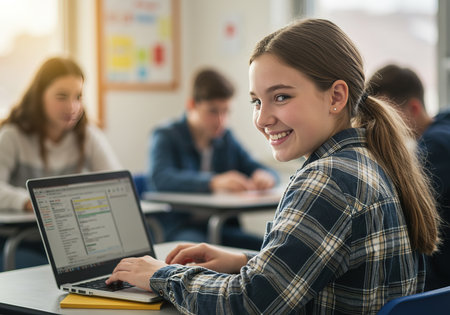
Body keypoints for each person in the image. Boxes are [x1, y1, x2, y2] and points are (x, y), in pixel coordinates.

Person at [107, 19, 440, 314]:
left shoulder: (328, 179)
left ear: (336, 97)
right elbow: (327, 273)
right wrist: (243, 262)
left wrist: (159, 275)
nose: (262, 119)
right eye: (256, 101)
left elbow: (249, 303)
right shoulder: (372, 159)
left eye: (281, 97)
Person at [0, 56, 121, 269]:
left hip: (72, 243)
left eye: (78, 97)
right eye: (61, 96)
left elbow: (117, 185)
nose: (72, 106)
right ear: (39, 96)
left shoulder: (88, 136)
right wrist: (30, 202)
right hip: (22, 241)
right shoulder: (12, 135)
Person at [146, 68, 278, 250]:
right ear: (192, 105)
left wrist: (264, 175)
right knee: (197, 251)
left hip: (221, 227)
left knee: (269, 249)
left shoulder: (226, 138)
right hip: (180, 227)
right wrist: (213, 182)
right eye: (213, 111)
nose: (221, 121)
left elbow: (257, 167)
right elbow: (160, 179)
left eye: (226, 112)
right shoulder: (166, 135)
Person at [367, 64, 450, 291]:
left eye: (387, 115)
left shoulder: (435, 147)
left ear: (414, 108)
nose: (379, 124)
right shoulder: (443, 127)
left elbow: (406, 212)